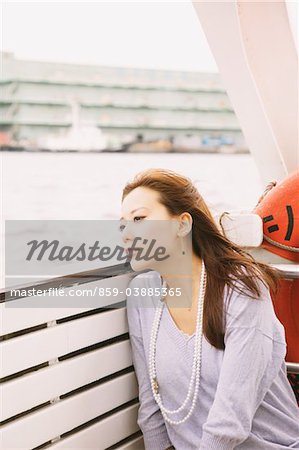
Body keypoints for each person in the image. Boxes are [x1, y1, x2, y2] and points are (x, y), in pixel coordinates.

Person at [120, 168, 299, 450]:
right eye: (123, 224)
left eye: (139, 219)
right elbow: (151, 408)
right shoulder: (143, 295)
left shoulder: (240, 287)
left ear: (182, 224)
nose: (127, 234)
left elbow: (230, 419)